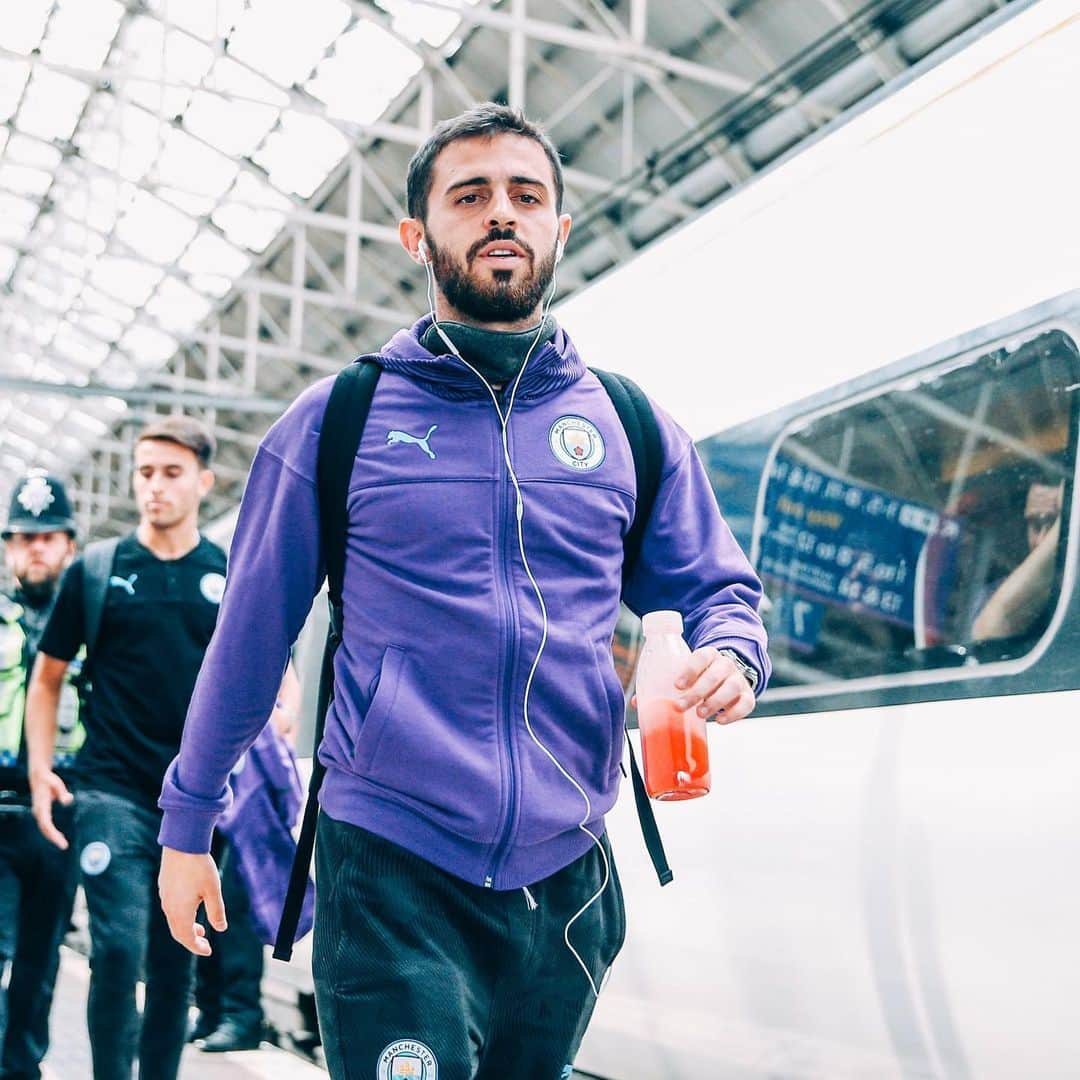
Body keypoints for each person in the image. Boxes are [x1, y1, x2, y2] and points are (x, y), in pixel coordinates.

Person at [158, 103, 771, 1080]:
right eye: (470, 195)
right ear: (417, 236)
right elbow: (249, 640)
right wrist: (188, 822)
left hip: (567, 874)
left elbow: (714, 583)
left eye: (527, 197)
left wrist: (735, 653)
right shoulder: (337, 421)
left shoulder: (627, 426)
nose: (502, 215)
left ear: (559, 230)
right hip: (392, 863)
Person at [25, 417, 227, 1080]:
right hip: (109, 790)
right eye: (144, 472)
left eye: (171, 473)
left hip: (191, 804)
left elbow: (266, 674)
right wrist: (39, 769)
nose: (155, 487)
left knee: (176, 961)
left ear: (204, 481)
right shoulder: (97, 572)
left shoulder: (226, 576)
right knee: (115, 949)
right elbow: (47, 677)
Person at [0, 471, 81, 1080]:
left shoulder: (90, 622)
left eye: (48, 537)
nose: (36, 548)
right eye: (24, 537)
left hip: (62, 811)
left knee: (40, 956)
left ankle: (24, 1065)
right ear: (7, 548)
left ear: (70, 546)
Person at [190, 670, 303, 1054]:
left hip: (250, 806)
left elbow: (287, 714)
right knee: (203, 910)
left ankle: (242, 1016)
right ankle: (208, 1010)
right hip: (215, 796)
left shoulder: (273, 647)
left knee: (235, 913)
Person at [971, 477, 1064, 642]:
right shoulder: (994, 592)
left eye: (1053, 523)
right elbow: (988, 635)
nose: (1041, 540)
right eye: (1035, 525)